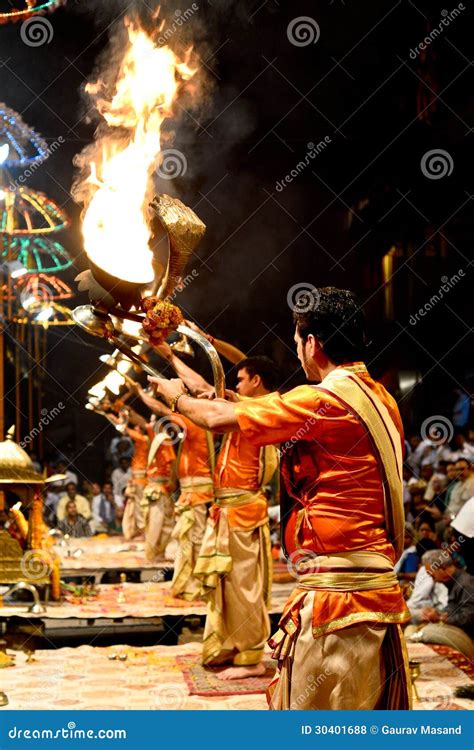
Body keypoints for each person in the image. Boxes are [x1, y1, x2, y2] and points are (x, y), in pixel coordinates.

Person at [150, 287, 411, 708]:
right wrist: (170, 358)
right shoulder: (379, 398)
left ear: (313, 343)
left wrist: (173, 396)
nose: (298, 352)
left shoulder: (323, 399)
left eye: (297, 342)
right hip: (366, 575)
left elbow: (213, 414)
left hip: (339, 590)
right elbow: (220, 400)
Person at [150, 345, 279, 680]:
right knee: (227, 585)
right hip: (227, 510)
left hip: (242, 511)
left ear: (257, 381)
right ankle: (231, 647)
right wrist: (167, 357)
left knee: (243, 587)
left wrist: (172, 365)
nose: (235, 385)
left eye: (241, 379)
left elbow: (201, 395)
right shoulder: (246, 406)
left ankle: (251, 656)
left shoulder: (265, 407)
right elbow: (200, 389)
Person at [134, 383, 215, 600]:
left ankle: (195, 586)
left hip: (196, 492)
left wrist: (141, 392)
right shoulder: (192, 426)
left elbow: (160, 409)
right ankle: (187, 583)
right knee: (186, 539)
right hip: (190, 491)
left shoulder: (195, 422)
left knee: (193, 539)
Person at [406, 550, 474, 658]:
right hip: (459, 629)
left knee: (422, 635)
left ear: (443, 569)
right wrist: (439, 614)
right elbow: (454, 607)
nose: (434, 580)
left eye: (432, 576)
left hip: (469, 635)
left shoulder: (465, 584)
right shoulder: (454, 582)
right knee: (414, 632)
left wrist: (441, 619)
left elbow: (469, 617)